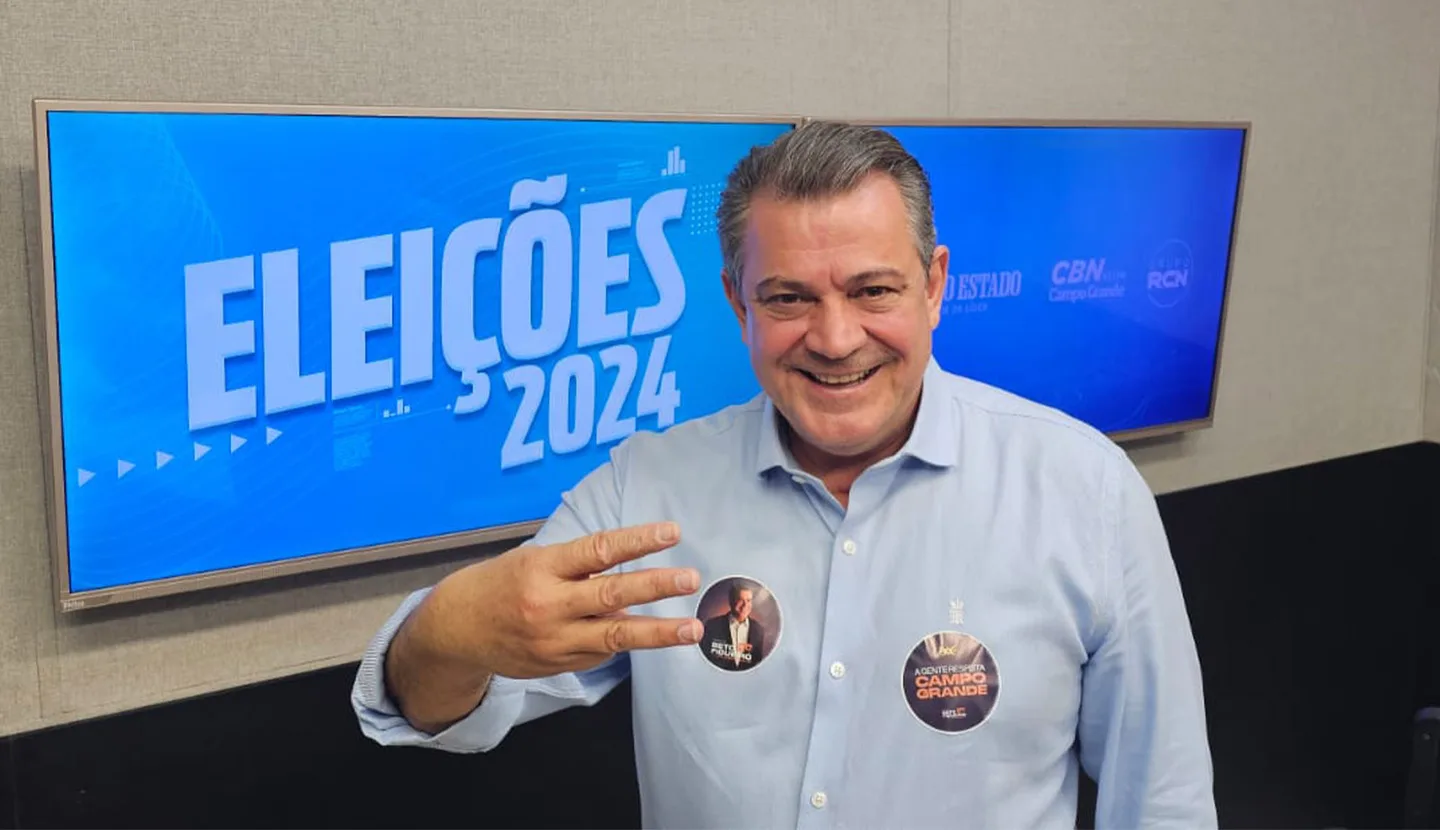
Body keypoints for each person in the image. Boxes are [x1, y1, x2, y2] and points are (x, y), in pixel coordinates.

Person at [352, 120, 1217, 829]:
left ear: (935, 285)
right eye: (789, 298)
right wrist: (453, 627)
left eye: (874, 291)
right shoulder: (646, 491)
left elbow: (1165, 806)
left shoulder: (1087, 496)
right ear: (738, 303)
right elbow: (431, 706)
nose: (835, 339)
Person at [698, 579, 767, 670]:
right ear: (731, 601)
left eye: (748, 600)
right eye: (740, 600)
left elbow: (757, 664)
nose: (745, 605)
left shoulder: (758, 630)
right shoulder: (712, 626)